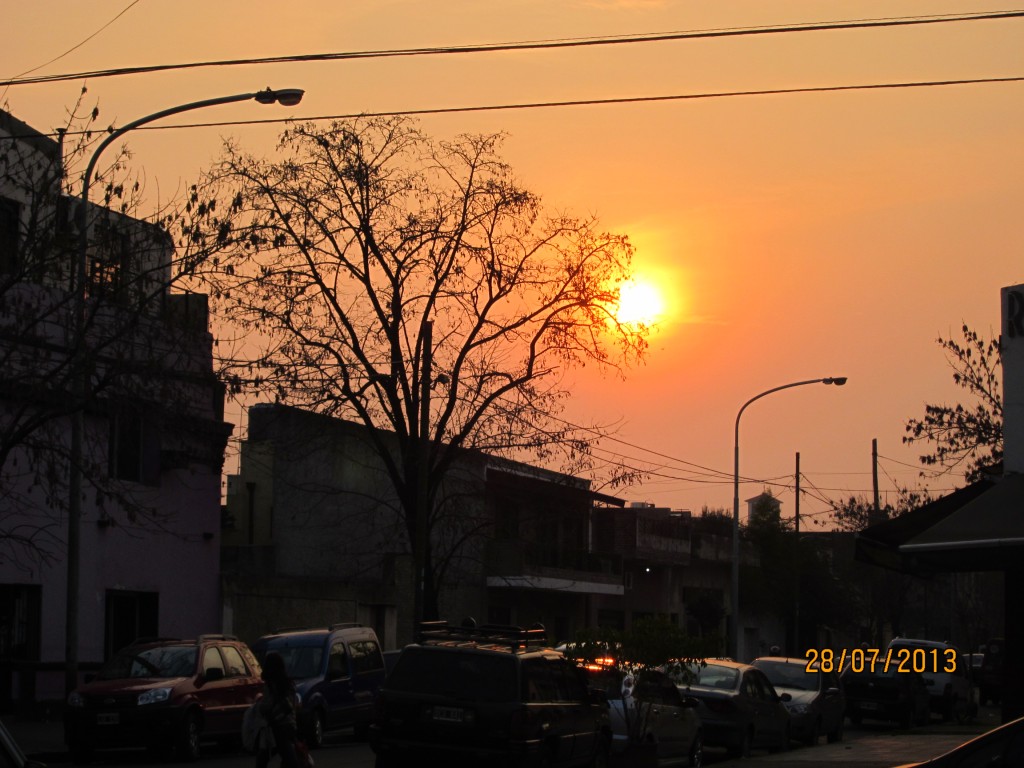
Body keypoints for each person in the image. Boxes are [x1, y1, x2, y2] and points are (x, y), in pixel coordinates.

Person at [256, 652, 300, 768]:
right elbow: (293, 704)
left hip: (276, 725)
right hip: (290, 724)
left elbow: (266, 706)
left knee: (264, 757)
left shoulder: (270, 685)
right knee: (286, 754)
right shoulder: (288, 684)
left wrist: (259, 706)